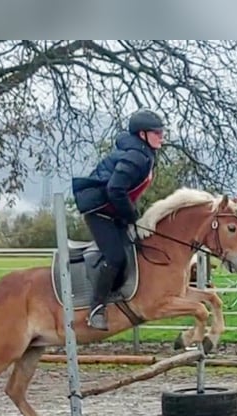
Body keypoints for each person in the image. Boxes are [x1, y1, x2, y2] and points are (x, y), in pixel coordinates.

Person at [71, 108, 166, 330]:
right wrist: (131, 215)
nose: (161, 136)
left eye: (162, 132)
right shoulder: (136, 156)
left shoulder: (143, 152)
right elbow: (115, 189)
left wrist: (130, 214)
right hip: (100, 212)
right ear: (142, 134)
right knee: (116, 258)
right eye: (156, 132)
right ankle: (96, 308)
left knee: (135, 249)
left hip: (112, 210)